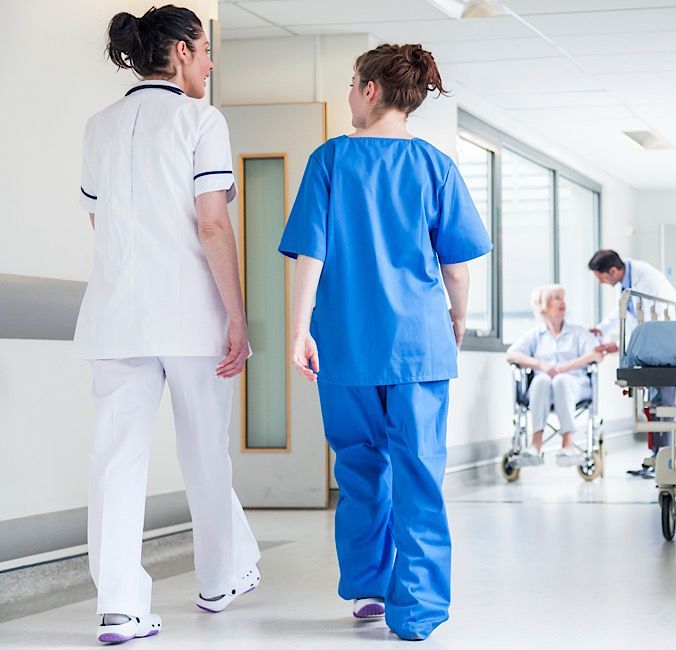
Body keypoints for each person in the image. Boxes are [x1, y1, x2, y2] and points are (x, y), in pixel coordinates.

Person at [278, 44, 491, 642]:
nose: (349, 94)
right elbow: (456, 267)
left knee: (360, 466)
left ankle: (369, 587)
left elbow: (311, 254)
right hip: (419, 346)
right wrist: (456, 319)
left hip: (346, 344)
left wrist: (300, 330)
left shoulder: (329, 160)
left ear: (371, 90)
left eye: (352, 83)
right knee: (418, 473)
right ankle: (417, 610)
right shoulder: (435, 166)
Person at [77, 6, 260, 644]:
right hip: (190, 315)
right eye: (205, 49)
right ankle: (218, 579)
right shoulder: (201, 121)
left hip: (115, 316)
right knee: (205, 450)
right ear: (182, 51)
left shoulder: (99, 126)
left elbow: (100, 221)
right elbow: (212, 222)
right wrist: (237, 316)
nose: (210, 62)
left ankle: (119, 608)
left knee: (115, 462)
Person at [588, 250, 676, 479]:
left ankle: (663, 461)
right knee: (655, 406)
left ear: (613, 271)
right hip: (654, 347)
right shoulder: (627, 281)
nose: (602, 283)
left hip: (667, 345)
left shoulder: (646, 280)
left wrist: (617, 346)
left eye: (602, 278)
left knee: (663, 406)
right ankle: (656, 458)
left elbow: (648, 322)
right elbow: (623, 311)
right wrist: (601, 330)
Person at [505, 285, 606, 465]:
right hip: (542, 391)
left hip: (574, 386)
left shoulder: (578, 333)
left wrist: (565, 367)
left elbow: (597, 354)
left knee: (561, 380)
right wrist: (541, 365)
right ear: (543, 305)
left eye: (563, 298)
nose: (563, 302)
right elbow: (511, 354)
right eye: (557, 298)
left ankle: (568, 443)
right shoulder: (535, 335)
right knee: (541, 380)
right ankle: (535, 444)